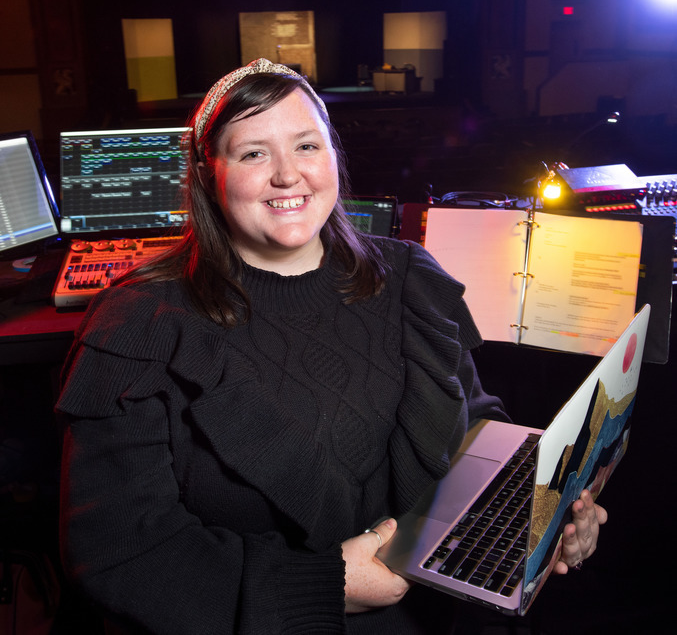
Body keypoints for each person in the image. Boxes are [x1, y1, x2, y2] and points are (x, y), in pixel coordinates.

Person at [56, 59, 607, 634]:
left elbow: (475, 425)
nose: (288, 175)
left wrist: (543, 512)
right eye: (254, 153)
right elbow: (117, 555)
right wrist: (322, 585)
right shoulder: (138, 323)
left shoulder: (410, 277)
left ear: (332, 156)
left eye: (306, 146)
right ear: (206, 172)